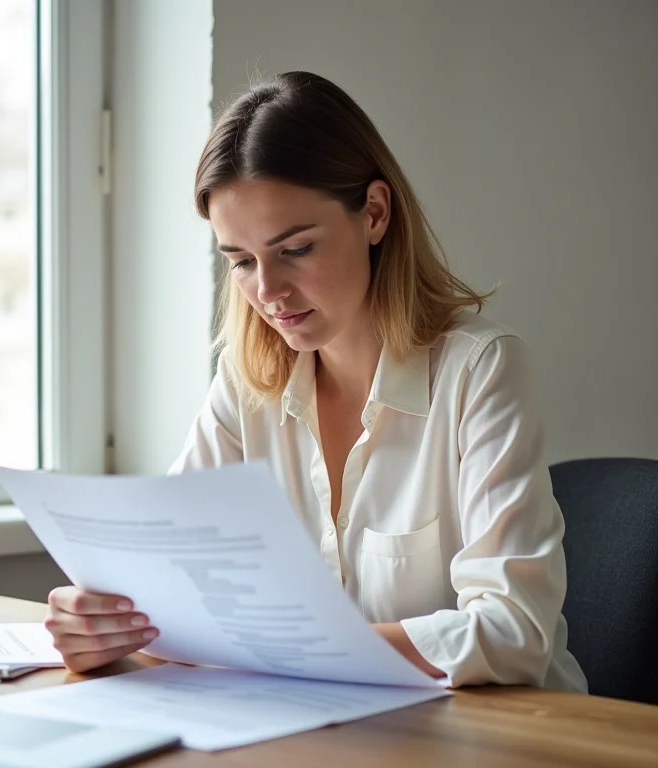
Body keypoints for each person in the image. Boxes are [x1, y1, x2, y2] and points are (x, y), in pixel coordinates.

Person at [45, 71, 587, 692]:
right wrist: (105, 625)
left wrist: (283, 647)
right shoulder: (246, 386)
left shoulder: (480, 369)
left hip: (503, 739)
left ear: (375, 213)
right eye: (242, 261)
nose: (267, 292)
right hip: (326, 732)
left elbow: (512, 632)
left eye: (295, 249)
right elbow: (171, 590)